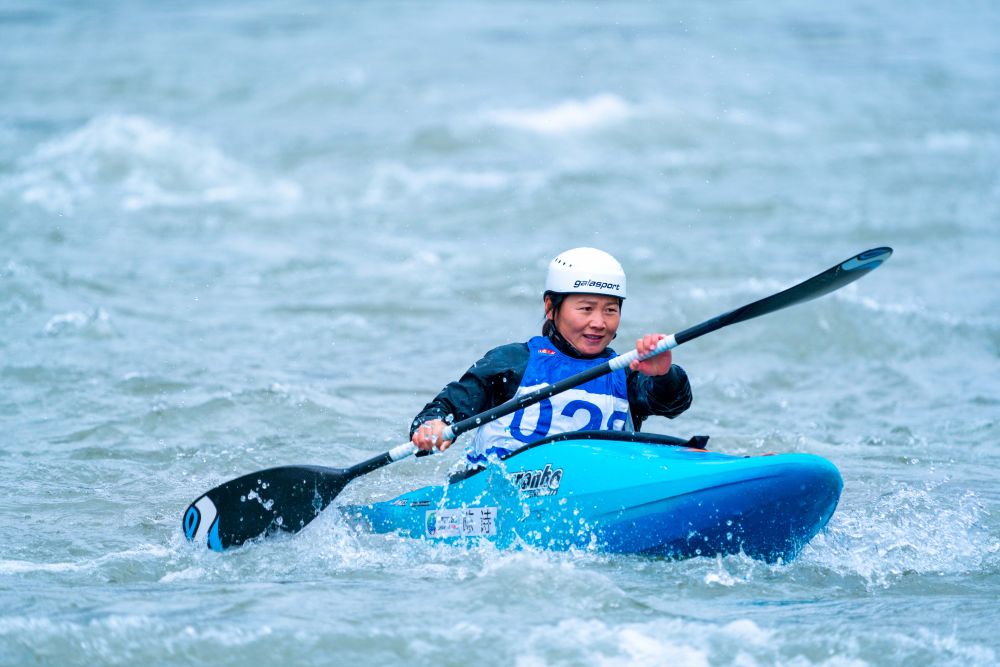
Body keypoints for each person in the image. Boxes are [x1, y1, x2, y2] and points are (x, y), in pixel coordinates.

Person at [410, 247, 692, 468]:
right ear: (550, 307)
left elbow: (672, 404)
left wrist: (664, 374)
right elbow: (446, 407)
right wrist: (433, 426)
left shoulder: (627, 373)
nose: (599, 322)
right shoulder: (512, 362)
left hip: (594, 493)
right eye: (586, 308)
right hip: (498, 498)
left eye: (610, 310)